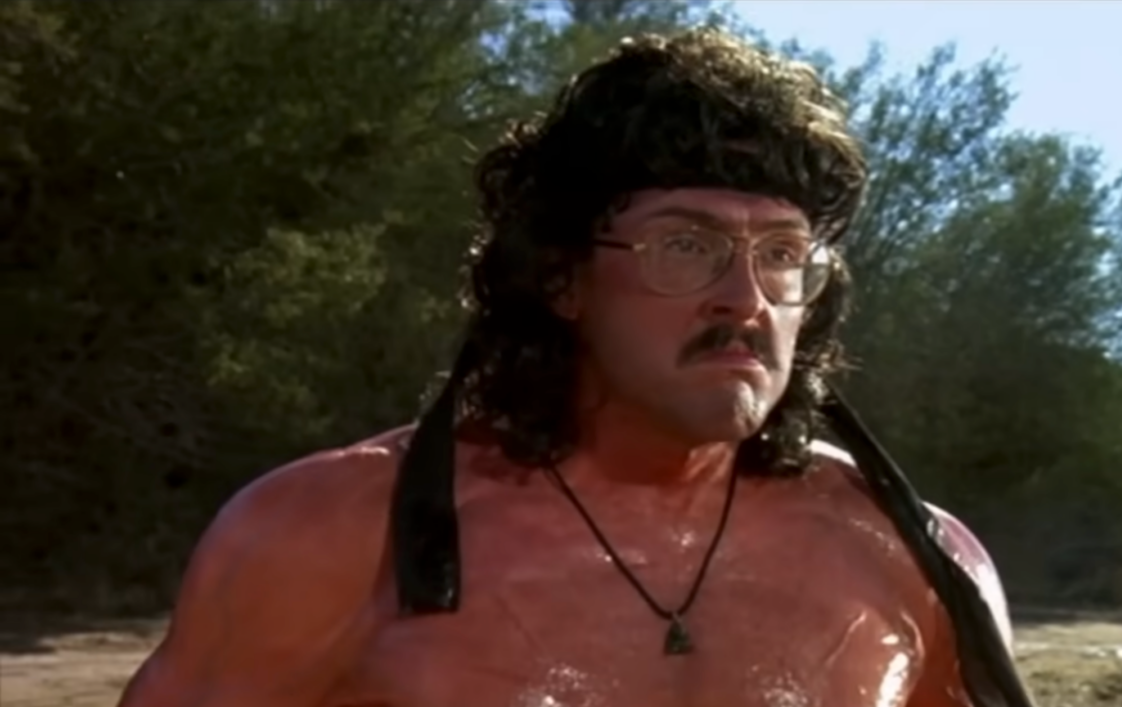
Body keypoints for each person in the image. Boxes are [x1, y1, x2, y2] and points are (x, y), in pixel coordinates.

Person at [119, 28, 1034, 707]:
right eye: (686, 245)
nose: (746, 299)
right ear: (560, 276)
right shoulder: (330, 536)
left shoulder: (919, 560)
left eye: (784, 255)